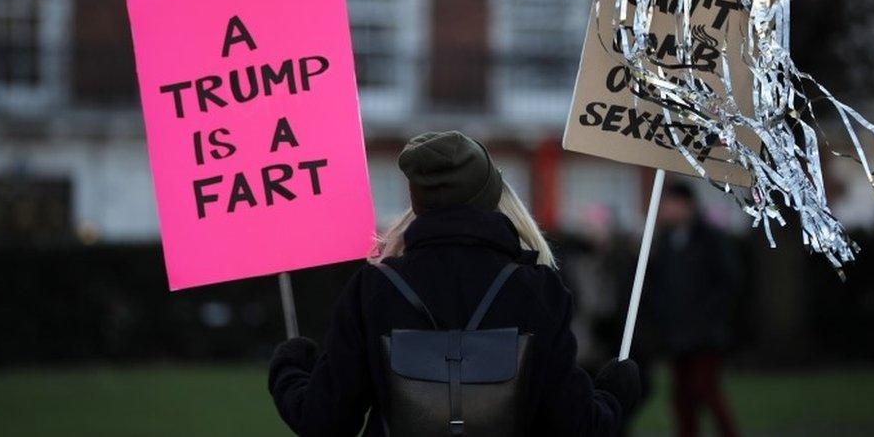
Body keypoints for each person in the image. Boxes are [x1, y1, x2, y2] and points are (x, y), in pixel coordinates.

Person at [268, 131, 642, 436]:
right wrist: (616, 389)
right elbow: (576, 425)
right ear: (490, 196)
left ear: (417, 201)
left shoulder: (373, 288)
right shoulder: (537, 287)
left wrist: (290, 365)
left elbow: (324, 422)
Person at [646, 182, 742, 437]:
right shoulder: (665, 242)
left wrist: (708, 317)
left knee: (706, 391)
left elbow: (727, 282)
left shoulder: (711, 239)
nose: (666, 210)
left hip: (704, 335)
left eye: (671, 204)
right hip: (676, 336)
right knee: (682, 398)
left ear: (687, 205)